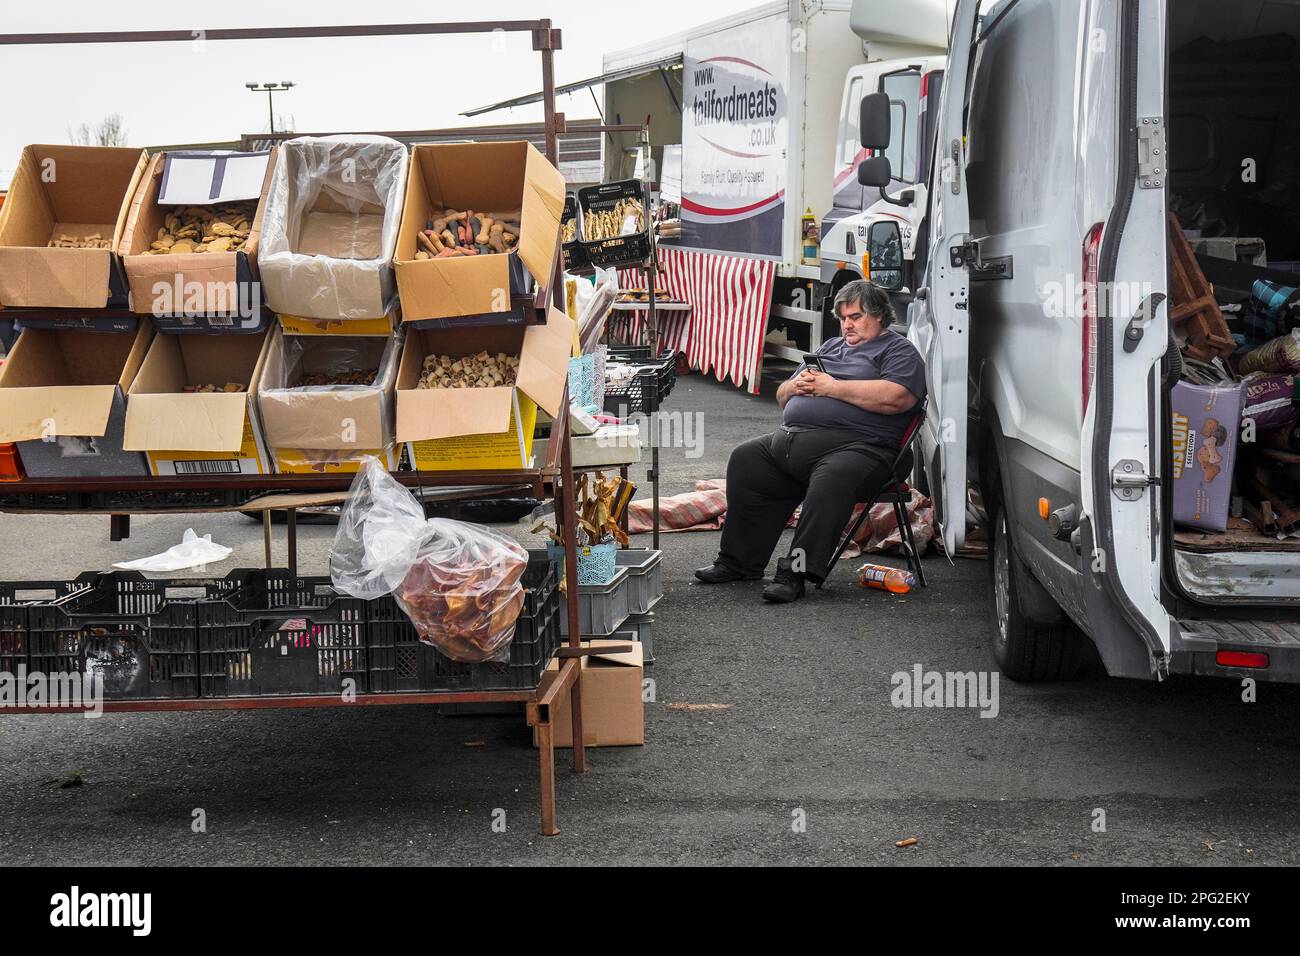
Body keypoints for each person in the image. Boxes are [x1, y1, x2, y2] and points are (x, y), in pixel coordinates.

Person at [694, 279, 926, 602]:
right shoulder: (830, 348)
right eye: (843, 317)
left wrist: (831, 387)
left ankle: (795, 573)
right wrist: (795, 386)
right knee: (747, 459)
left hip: (866, 448)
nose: (847, 324)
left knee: (832, 476)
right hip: (794, 442)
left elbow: (897, 398)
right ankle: (738, 562)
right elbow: (781, 395)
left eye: (855, 317)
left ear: (879, 316)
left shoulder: (898, 351)